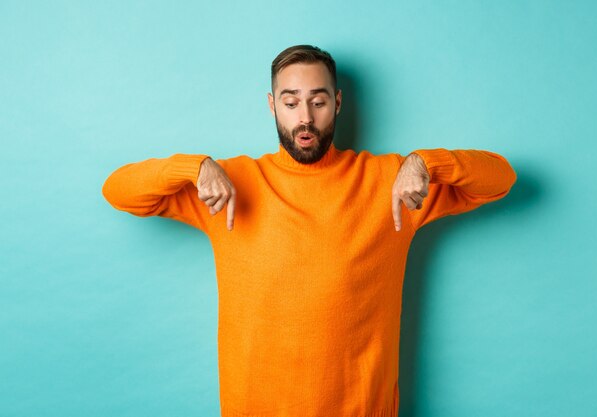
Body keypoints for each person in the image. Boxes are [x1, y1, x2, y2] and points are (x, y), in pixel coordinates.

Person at [102, 44, 516, 417]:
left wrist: (428, 163)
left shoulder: (391, 182)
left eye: (317, 101)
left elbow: (501, 178)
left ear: (337, 103)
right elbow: (118, 190)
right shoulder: (229, 185)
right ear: (271, 106)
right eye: (290, 102)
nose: (305, 118)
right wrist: (193, 167)